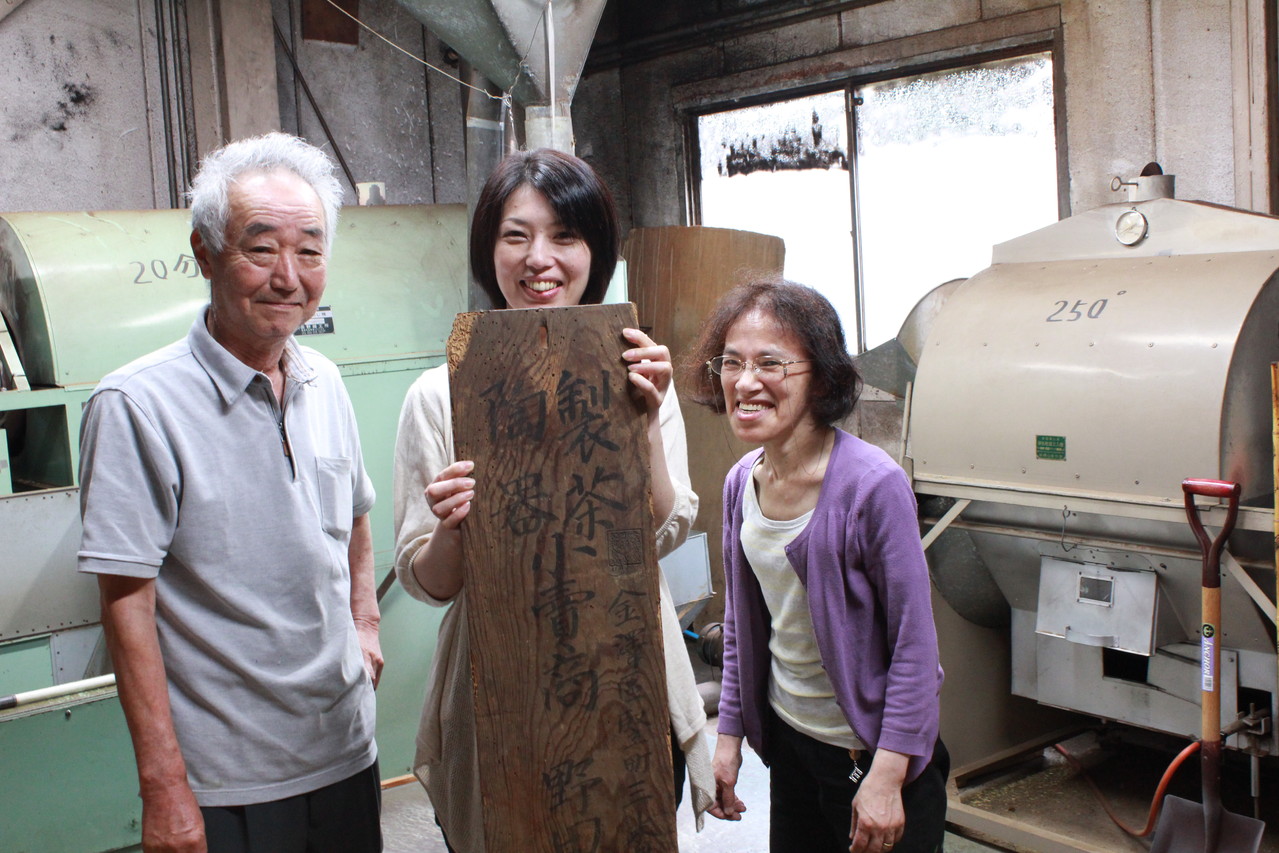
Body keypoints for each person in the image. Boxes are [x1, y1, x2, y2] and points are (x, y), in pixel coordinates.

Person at [392, 148, 714, 852]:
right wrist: (452, 528)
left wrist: (646, 419)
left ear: (593, 251)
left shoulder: (639, 372)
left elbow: (664, 530)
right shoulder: (435, 394)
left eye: (564, 235)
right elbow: (428, 581)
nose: (540, 258)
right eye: (516, 235)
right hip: (497, 684)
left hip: (625, 667)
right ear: (489, 250)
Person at [78, 133, 383, 853]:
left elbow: (357, 515)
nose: (288, 275)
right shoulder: (136, 404)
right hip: (229, 783)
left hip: (345, 751)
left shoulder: (325, 381)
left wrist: (364, 620)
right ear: (205, 253)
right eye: (260, 247)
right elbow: (128, 602)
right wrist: (164, 787)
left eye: (309, 251)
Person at [684, 280, 947, 853]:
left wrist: (887, 774)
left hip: (873, 755)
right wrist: (728, 737)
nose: (745, 382)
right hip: (792, 747)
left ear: (822, 377)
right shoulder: (740, 485)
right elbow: (741, 633)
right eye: (731, 363)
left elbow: (915, 647)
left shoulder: (872, 486)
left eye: (770, 364)